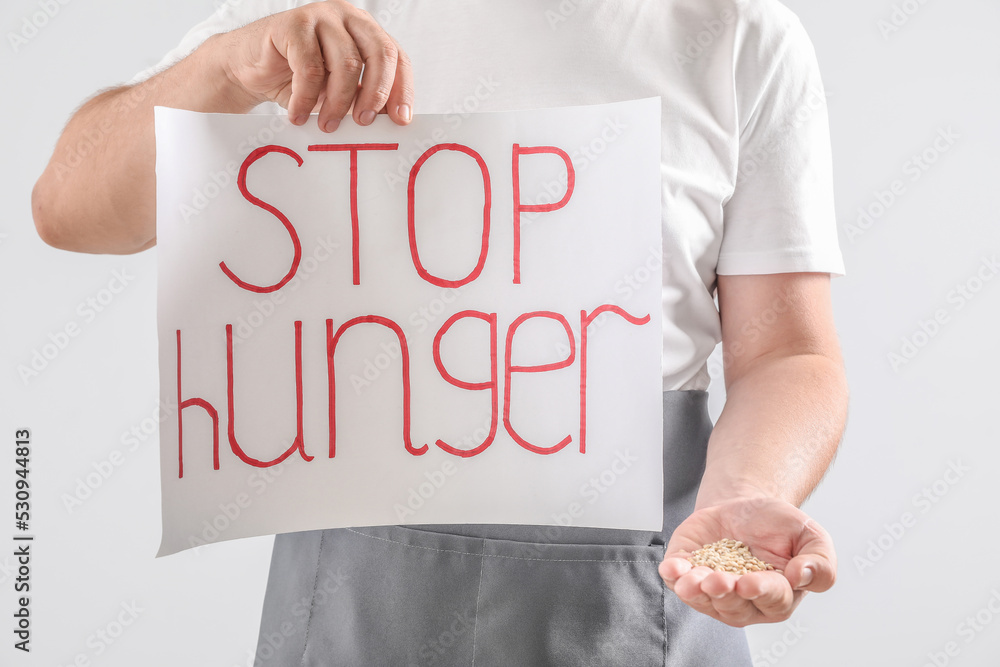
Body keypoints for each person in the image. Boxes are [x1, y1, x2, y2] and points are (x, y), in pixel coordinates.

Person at [32, 1, 849, 664]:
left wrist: (749, 492)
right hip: (350, 616)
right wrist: (222, 68)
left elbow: (788, 351)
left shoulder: (739, 35)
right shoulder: (313, 22)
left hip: (650, 594)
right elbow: (67, 205)